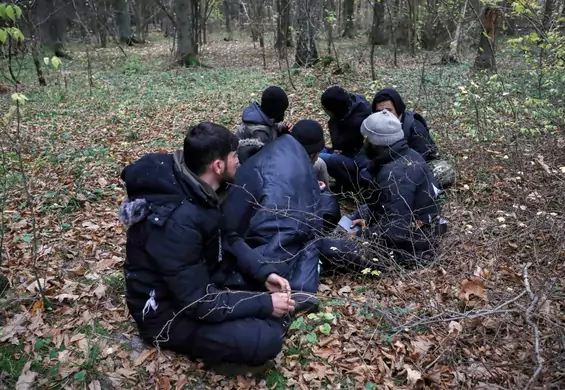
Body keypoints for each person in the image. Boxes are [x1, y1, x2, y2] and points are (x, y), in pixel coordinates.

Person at [119, 122, 295, 368]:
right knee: (265, 339)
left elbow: (228, 237)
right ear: (218, 165)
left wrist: (263, 273)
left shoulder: (199, 186)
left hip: (198, 278)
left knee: (280, 280)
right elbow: (197, 303)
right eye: (234, 156)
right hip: (165, 314)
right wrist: (264, 304)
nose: (238, 162)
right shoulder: (177, 222)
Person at [223, 117, 326, 310]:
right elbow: (312, 233)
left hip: (251, 248)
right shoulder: (305, 173)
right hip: (271, 257)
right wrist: (303, 288)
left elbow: (232, 221)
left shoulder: (268, 154)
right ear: (315, 154)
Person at [350, 111, 444, 264]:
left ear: (374, 142)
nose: (363, 143)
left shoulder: (395, 175)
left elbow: (396, 233)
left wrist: (362, 235)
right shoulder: (408, 154)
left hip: (414, 248)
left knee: (328, 247)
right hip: (419, 227)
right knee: (358, 213)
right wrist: (372, 220)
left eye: (365, 139)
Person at [371, 88, 456, 188]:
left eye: (388, 111)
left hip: (415, 167)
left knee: (443, 173)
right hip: (389, 168)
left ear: (398, 110)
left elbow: (422, 158)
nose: (383, 115)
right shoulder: (374, 127)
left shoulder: (414, 126)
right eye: (379, 112)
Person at [289, 119, 341, 232]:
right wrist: (313, 189)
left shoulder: (287, 151)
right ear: (313, 154)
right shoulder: (293, 170)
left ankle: (326, 195)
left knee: (320, 164)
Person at [319, 86, 372, 191]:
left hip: (359, 161)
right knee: (315, 150)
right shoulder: (351, 104)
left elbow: (338, 144)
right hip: (347, 151)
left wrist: (333, 120)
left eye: (326, 109)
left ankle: (346, 187)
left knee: (317, 157)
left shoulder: (356, 121)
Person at [236, 86, 291, 163]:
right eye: (281, 111)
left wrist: (281, 129)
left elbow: (270, 126)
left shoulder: (259, 115)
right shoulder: (260, 134)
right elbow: (257, 162)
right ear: (274, 111)